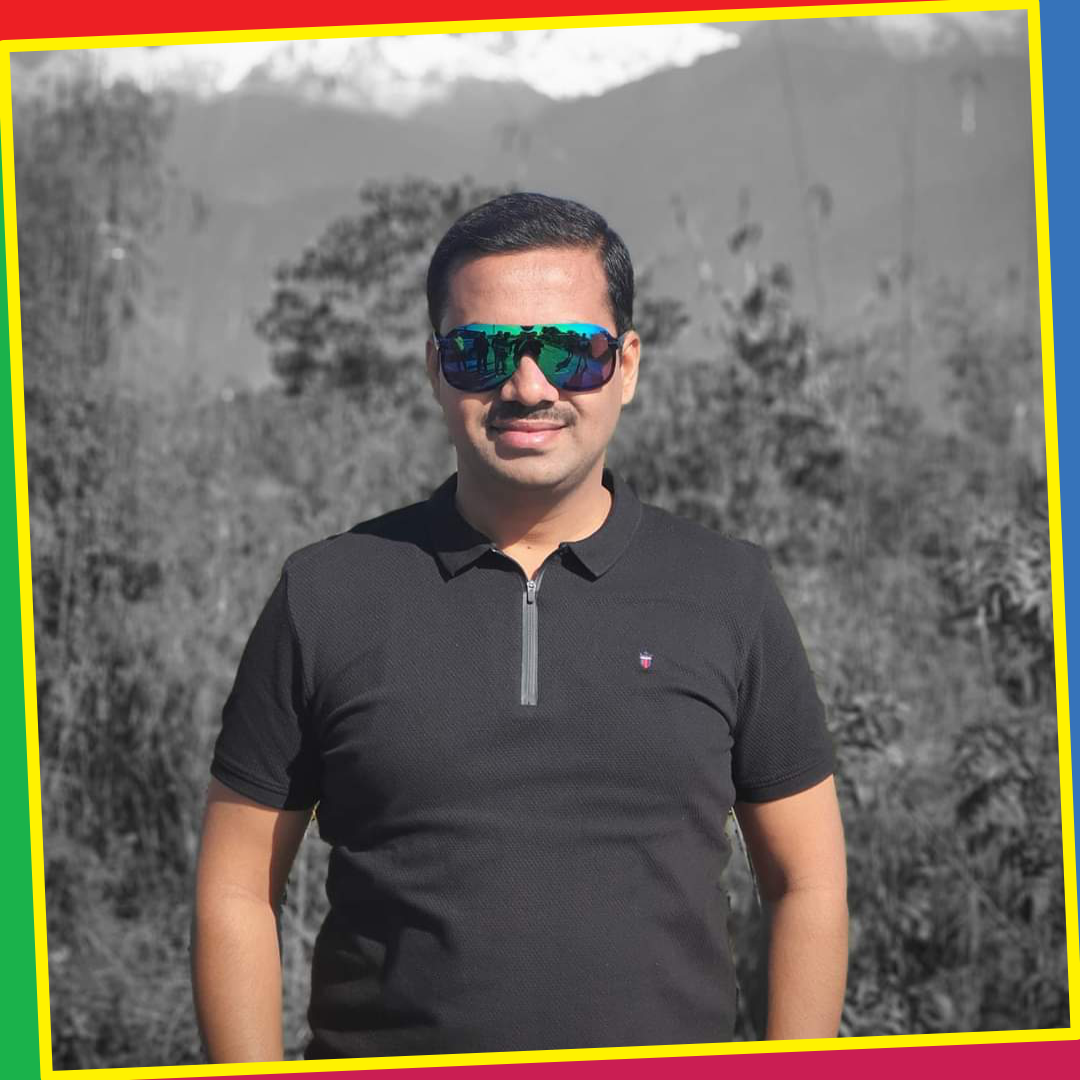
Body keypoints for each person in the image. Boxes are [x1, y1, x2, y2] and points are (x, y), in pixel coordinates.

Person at [190, 192, 848, 1063]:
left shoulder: (728, 592)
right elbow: (236, 888)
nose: (529, 387)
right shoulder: (327, 595)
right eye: (482, 352)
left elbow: (807, 882)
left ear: (627, 366)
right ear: (436, 368)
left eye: (572, 352)